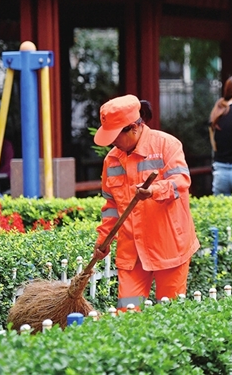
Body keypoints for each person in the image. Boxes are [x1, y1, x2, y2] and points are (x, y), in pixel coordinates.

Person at [91, 95, 200, 308]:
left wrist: (153, 191)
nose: (112, 142)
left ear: (133, 128)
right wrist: (103, 240)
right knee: (127, 314)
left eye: (115, 136)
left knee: (170, 314)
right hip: (132, 252)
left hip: (169, 247)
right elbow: (111, 207)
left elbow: (181, 182)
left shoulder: (167, 145)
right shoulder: (111, 160)